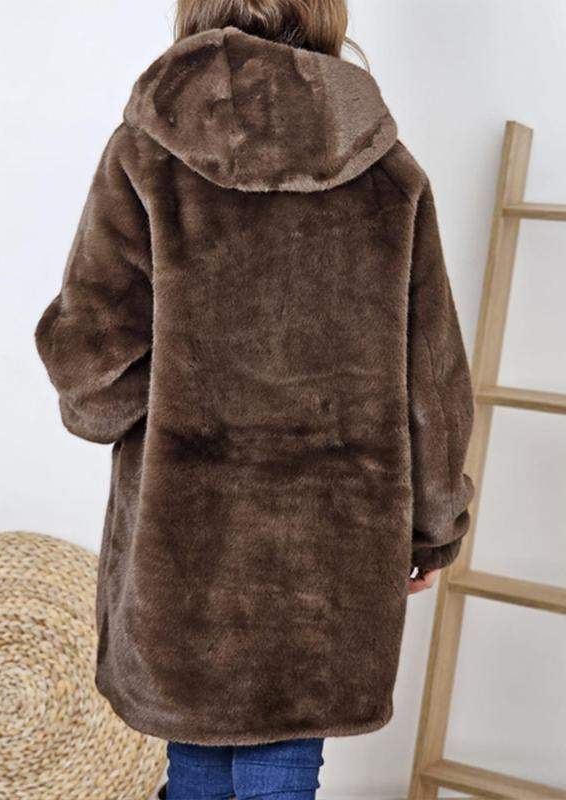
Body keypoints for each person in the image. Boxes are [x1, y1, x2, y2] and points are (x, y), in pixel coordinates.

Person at [35, 0, 474, 797]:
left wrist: (175, 402)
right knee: (284, 771)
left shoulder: (147, 151)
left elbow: (90, 371)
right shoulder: (388, 169)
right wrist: (433, 528)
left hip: (183, 549)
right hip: (331, 556)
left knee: (195, 767)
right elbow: (434, 381)